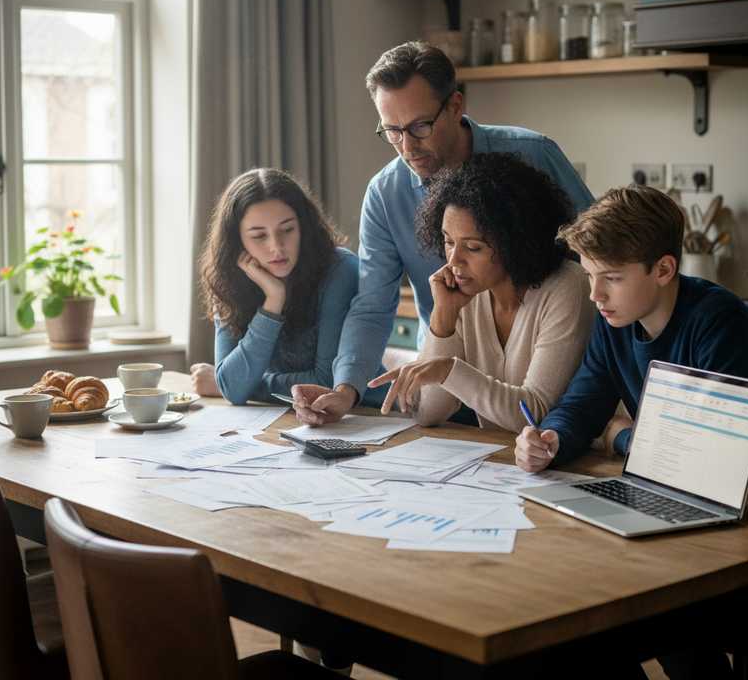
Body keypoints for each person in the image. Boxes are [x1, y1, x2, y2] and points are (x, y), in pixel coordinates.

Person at [515, 185, 748, 680]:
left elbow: (709, 453)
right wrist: (550, 439)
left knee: (649, 608)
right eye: (590, 275)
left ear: (663, 269)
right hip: (678, 494)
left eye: (611, 278)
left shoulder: (716, 319)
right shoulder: (615, 321)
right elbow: (582, 404)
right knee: (579, 598)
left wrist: (621, 437)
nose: (595, 295)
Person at [293, 41, 593, 425]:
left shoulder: (533, 155)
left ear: (455, 106)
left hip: (549, 381)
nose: (407, 147)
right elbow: (372, 307)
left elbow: (600, 254)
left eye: (420, 126)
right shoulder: (386, 194)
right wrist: (346, 390)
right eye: (392, 131)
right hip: (446, 373)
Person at [367, 153, 594, 430]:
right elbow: (429, 414)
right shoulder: (465, 292)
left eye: (473, 247)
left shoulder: (568, 285)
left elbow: (532, 415)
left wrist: (448, 370)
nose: (454, 261)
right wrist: (443, 319)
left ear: (516, 243)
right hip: (499, 455)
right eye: (448, 242)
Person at [196, 168, 385, 406]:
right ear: (237, 241)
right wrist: (274, 300)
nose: (277, 246)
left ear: (303, 227)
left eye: (287, 230)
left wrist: (244, 385)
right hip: (292, 417)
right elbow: (233, 389)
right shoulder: (229, 280)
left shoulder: (340, 271)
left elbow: (327, 383)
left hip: (368, 414)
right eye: (259, 236)